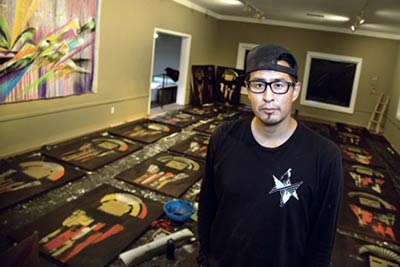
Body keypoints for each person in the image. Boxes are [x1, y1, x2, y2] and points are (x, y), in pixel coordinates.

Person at [197, 44, 343, 267]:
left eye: (279, 85)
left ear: (295, 90)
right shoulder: (222, 136)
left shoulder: (325, 157)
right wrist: (205, 257)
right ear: (247, 88)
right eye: (258, 85)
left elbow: (322, 242)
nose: (268, 96)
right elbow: (207, 206)